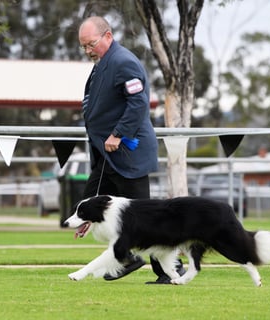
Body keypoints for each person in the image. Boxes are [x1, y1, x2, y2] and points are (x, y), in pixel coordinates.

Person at [78, 16, 184, 284]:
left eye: (91, 44)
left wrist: (118, 134)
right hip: (107, 155)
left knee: (146, 218)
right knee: (89, 203)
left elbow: (138, 103)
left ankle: (172, 270)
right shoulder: (104, 63)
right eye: (84, 47)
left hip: (127, 153)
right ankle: (127, 257)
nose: (88, 51)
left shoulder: (123, 62)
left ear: (108, 36)